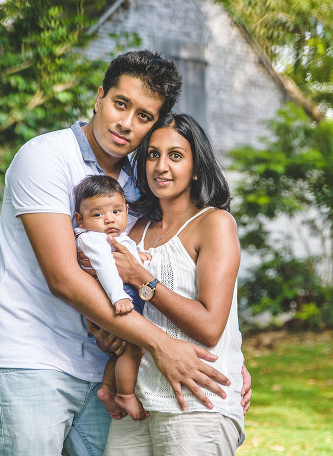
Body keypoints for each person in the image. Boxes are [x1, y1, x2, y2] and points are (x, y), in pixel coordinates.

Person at [0, 50, 250, 456]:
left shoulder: (139, 190)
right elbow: (64, 277)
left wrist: (228, 356)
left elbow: (173, 274)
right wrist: (162, 345)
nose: (126, 123)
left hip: (111, 378)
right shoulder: (46, 157)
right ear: (100, 97)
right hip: (32, 361)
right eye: (121, 104)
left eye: (144, 116)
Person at [102, 112, 245, 455]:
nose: (161, 166)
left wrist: (143, 279)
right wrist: (108, 331)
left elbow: (211, 326)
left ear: (196, 167)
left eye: (175, 156)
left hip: (198, 403)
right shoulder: (135, 231)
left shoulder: (215, 224)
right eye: (153, 154)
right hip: (137, 401)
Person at [73, 175, 152, 421]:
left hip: (120, 296)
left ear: (127, 210)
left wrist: (140, 256)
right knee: (135, 346)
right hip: (114, 297)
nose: (109, 219)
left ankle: (108, 388)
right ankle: (126, 395)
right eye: (98, 214)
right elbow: (107, 268)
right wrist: (119, 297)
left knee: (121, 351)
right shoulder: (93, 239)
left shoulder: (115, 236)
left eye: (117, 211)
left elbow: (125, 256)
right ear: (80, 219)